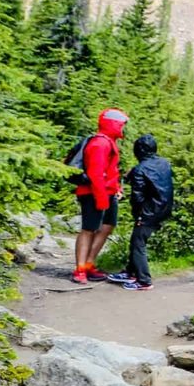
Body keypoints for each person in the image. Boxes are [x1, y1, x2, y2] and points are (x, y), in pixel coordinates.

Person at [109, 134, 174, 292]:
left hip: (149, 211)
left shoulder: (140, 169)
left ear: (138, 150)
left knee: (138, 244)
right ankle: (131, 272)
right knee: (136, 240)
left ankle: (144, 280)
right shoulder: (164, 163)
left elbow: (137, 196)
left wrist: (138, 214)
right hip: (164, 208)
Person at [71, 107, 128, 285]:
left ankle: (89, 264)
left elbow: (110, 171)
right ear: (113, 124)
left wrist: (116, 188)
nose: (123, 129)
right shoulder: (100, 143)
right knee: (89, 229)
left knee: (107, 226)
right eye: (122, 125)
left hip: (107, 193)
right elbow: (96, 174)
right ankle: (80, 269)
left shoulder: (109, 142)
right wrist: (101, 198)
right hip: (93, 193)